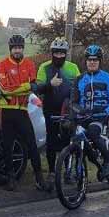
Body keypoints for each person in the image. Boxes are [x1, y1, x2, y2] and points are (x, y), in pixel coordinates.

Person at [0, 34, 48, 192]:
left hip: (22, 110)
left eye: (19, 48)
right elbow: (5, 89)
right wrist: (26, 86)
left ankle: (39, 178)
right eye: (15, 48)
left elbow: (34, 86)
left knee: (32, 145)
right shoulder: (2, 65)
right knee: (8, 146)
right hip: (6, 110)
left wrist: (21, 87)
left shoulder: (29, 64)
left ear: (23, 49)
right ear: (10, 49)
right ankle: (11, 178)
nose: (17, 51)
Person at [69, 44, 109, 180]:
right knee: (78, 140)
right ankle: (85, 170)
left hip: (102, 116)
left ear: (100, 61)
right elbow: (73, 102)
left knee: (92, 132)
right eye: (89, 60)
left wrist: (106, 111)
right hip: (85, 116)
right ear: (85, 61)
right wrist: (79, 111)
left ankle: (108, 161)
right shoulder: (79, 79)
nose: (92, 62)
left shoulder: (108, 78)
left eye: (95, 60)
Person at [34, 37, 80, 176]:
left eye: (62, 53)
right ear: (52, 53)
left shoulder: (73, 67)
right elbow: (37, 88)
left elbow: (79, 87)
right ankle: (52, 171)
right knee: (51, 140)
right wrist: (50, 84)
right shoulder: (44, 67)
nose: (59, 56)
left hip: (67, 110)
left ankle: (67, 171)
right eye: (56, 53)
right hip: (50, 109)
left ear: (65, 54)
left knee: (67, 140)